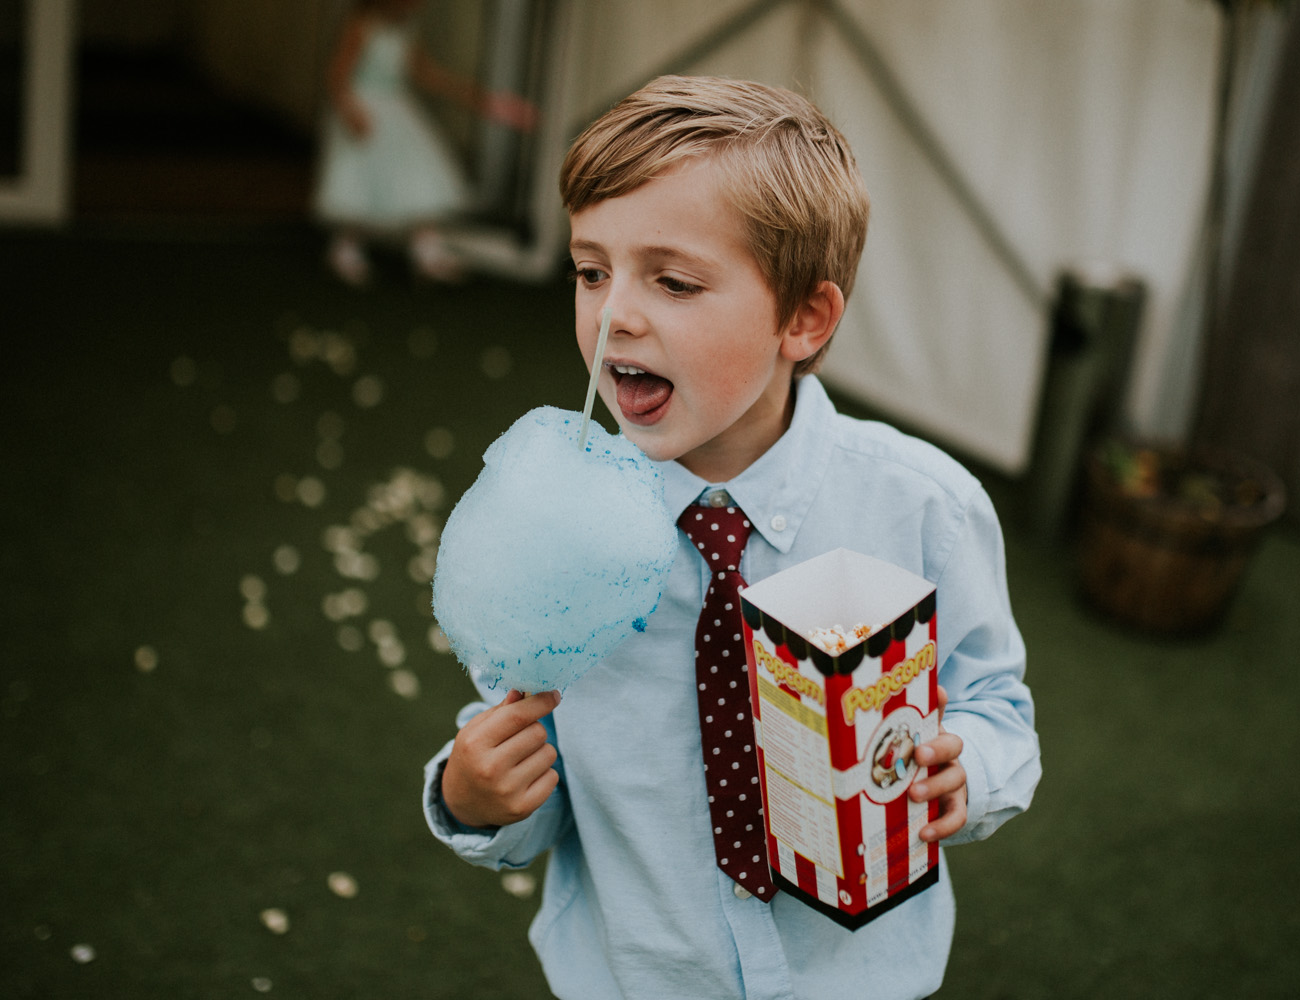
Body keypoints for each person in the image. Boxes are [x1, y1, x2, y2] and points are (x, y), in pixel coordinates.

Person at [422, 76, 1041, 1000]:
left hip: (854, 977)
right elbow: (526, 755)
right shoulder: (560, 539)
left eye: (672, 280)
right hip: (635, 976)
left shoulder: (923, 510)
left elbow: (994, 702)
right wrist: (471, 797)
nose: (616, 313)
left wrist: (971, 769)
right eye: (592, 270)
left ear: (804, 318)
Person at [312, 0, 535, 285]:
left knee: (416, 173)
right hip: (366, 109)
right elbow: (337, 76)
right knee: (364, 178)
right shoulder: (361, 25)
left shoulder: (405, 29)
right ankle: (347, 246)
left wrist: (483, 101)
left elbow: (427, 74)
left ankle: (426, 249)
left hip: (394, 108)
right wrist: (348, 109)